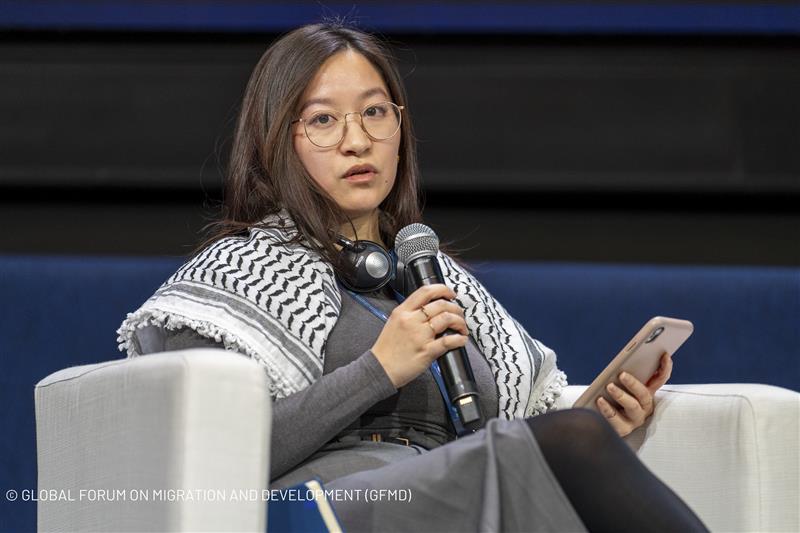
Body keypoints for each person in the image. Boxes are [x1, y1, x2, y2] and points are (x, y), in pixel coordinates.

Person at [117, 22, 708, 532]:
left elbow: (511, 427)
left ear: (400, 129)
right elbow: (208, 461)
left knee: (573, 438)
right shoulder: (235, 275)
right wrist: (376, 370)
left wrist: (600, 418)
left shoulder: (431, 274)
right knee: (565, 444)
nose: (358, 140)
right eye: (323, 120)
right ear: (278, 141)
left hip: (457, 487)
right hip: (322, 509)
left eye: (375, 112)